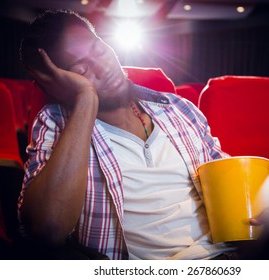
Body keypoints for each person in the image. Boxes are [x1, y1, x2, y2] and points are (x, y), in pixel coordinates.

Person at [18, 9, 240, 260]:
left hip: (225, 257)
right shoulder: (55, 123)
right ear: (55, 83)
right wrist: (85, 98)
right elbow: (49, 229)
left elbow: (229, 181)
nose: (104, 68)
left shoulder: (178, 108)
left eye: (99, 49)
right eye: (81, 69)